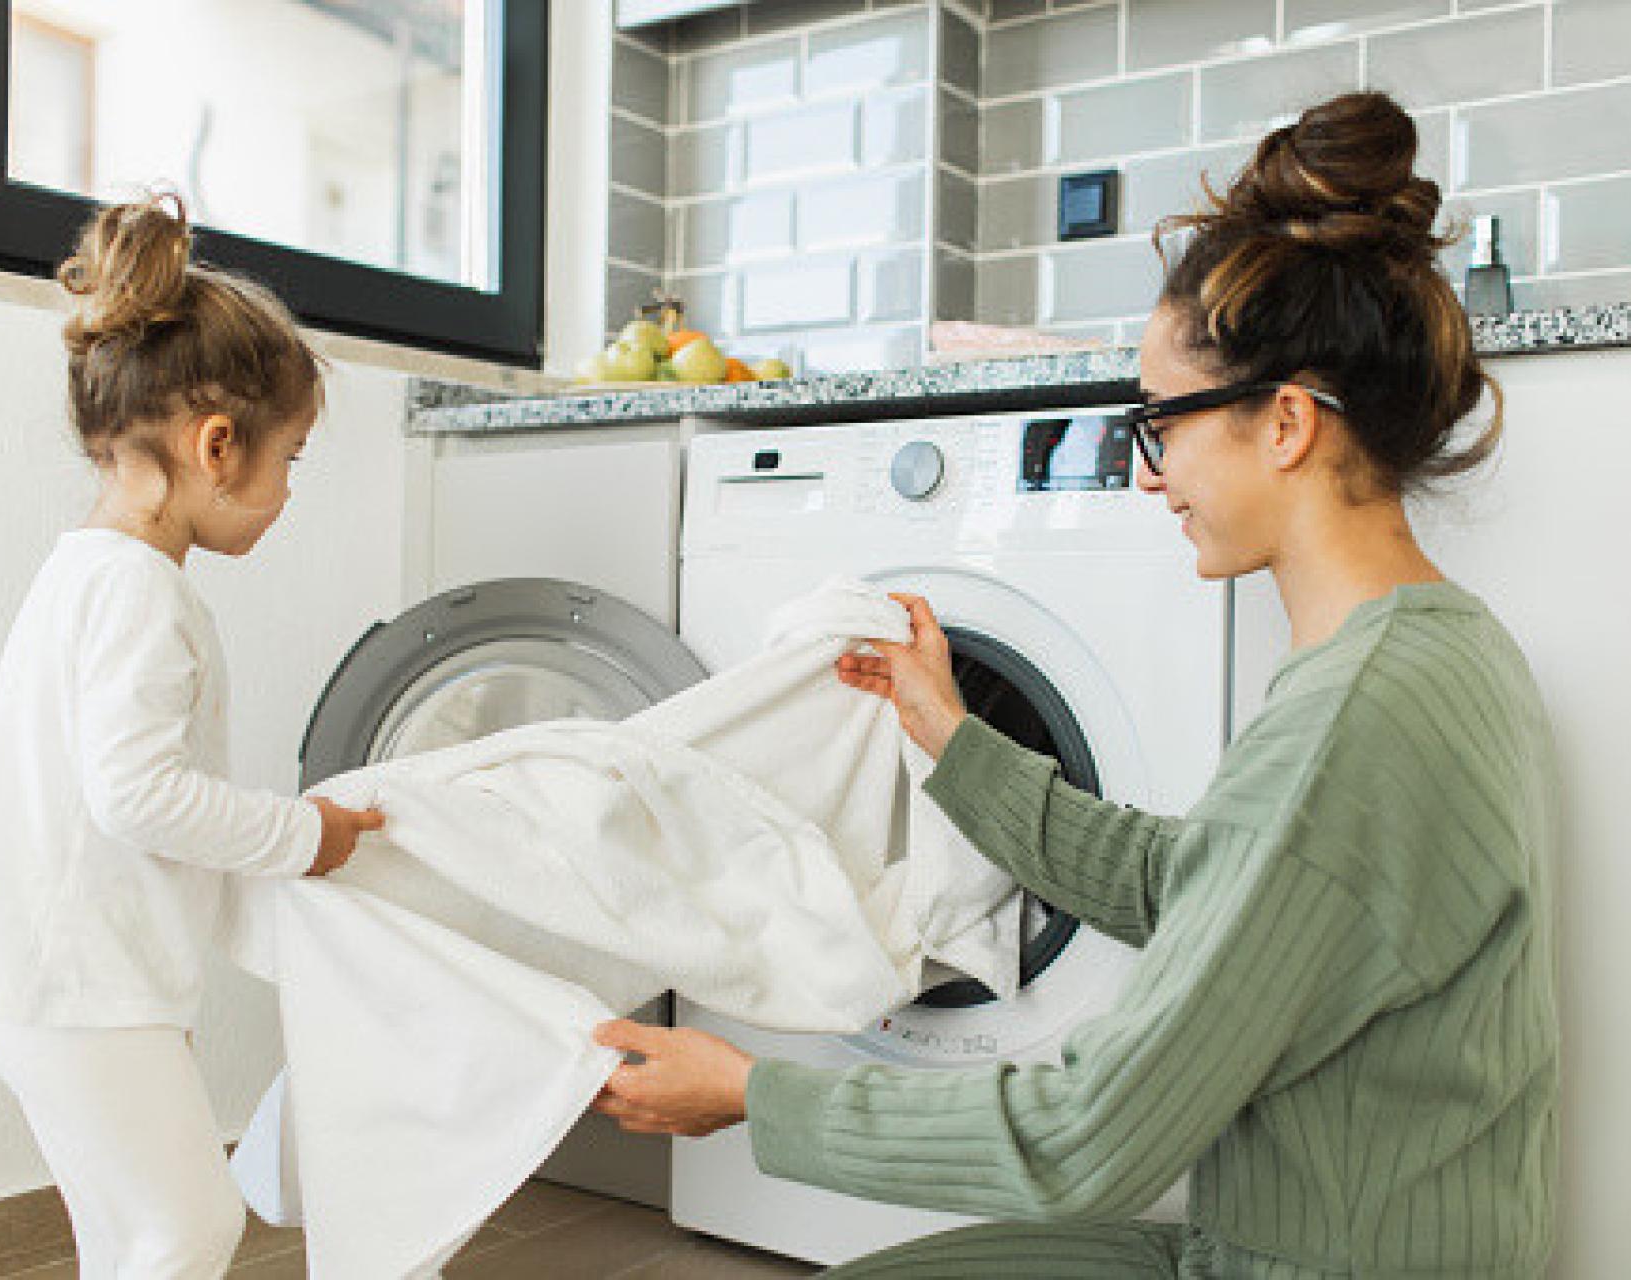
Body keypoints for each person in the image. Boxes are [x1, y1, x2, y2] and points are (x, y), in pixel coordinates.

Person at [591, 91, 1558, 1277]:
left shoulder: (1350, 717)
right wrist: (951, 736)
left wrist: (752, 1090)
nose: (1150, 474)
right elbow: (1205, 890)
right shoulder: (1440, 649)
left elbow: (1088, 1134)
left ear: (1286, 425)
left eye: (1159, 423)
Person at [0, 194, 385, 1277]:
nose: (287, 489)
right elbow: (138, 793)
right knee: (189, 1228)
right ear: (217, 444)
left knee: (129, 1231)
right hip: (76, 987)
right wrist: (306, 833)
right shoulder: (141, 593)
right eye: (293, 458)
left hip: (51, 976)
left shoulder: (85, 571)